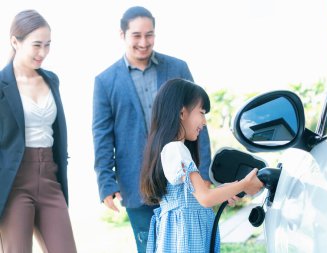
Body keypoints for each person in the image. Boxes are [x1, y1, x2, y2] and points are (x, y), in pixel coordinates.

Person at [92, 6, 212, 252]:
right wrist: (106, 182)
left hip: (183, 178)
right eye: (136, 35)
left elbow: (200, 122)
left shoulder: (178, 68)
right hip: (137, 180)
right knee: (149, 246)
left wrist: (206, 171)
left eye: (150, 35)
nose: (144, 42)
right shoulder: (105, 81)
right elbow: (102, 135)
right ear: (122, 34)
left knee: (189, 244)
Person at [140, 78, 264, 253]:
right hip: (187, 241)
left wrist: (226, 191)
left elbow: (192, 200)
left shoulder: (171, 149)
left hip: (183, 237)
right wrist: (244, 184)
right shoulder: (177, 149)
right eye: (201, 112)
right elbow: (205, 197)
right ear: (181, 112)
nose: (204, 122)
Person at [0, 9, 77, 253]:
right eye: (36, 45)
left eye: (47, 45)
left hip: (50, 179)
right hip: (13, 184)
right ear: (15, 41)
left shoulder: (51, 80)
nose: (42, 52)